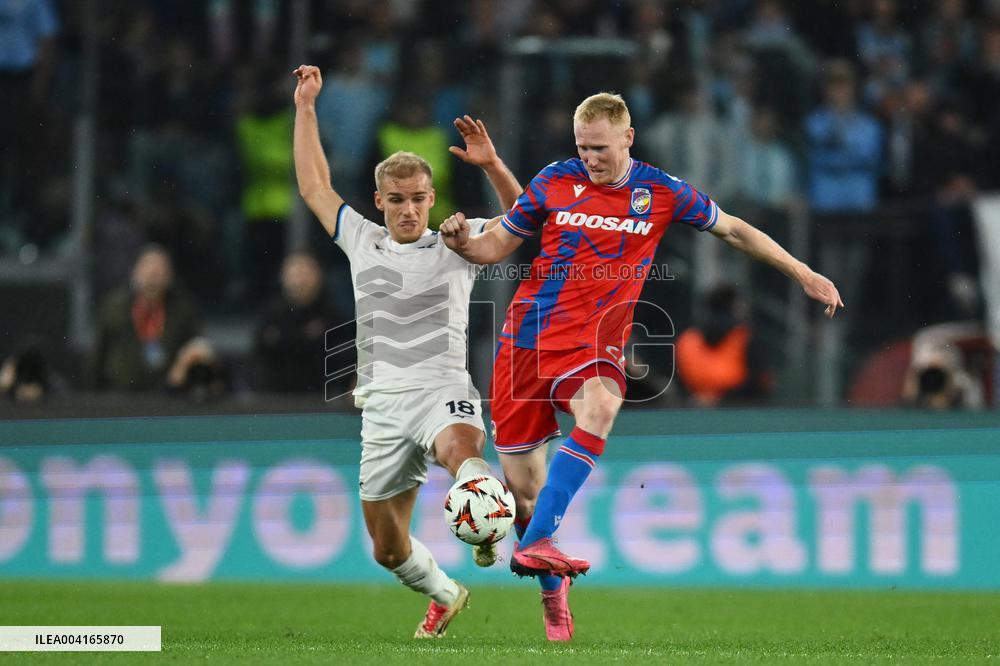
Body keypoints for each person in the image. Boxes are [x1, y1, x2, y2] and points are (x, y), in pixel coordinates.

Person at [440, 92, 843, 641]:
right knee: (525, 498)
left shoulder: (660, 190)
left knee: (603, 403)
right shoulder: (553, 182)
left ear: (628, 138)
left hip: (593, 345)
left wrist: (801, 271)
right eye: (583, 148)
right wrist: (463, 243)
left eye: (601, 148)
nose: (591, 159)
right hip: (525, 348)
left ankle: (538, 544)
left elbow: (735, 229)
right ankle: (550, 585)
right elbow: (495, 249)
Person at [292, 64, 521, 639]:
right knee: (387, 550)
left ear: (433, 197)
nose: (409, 210)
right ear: (379, 200)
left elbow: (524, 218)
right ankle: (446, 593)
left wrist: (491, 166)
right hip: (382, 405)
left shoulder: (457, 243)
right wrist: (305, 108)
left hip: (443, 389)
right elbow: (315, 188)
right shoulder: (361, 239)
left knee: (462, 457)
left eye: (419, 198)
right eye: (397, 200)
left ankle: (486, 513)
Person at [87, 245, 201, 391]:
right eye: (149, 270)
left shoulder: (183, 309)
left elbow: (197, 347)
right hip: (118, 398)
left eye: (160, 271)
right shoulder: (114, 306)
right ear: (135, 273)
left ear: (170, 276)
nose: (153, 277)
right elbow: (97, 355)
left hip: (168, 399)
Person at [254, 251, 355, 395]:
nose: (299, 280)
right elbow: (261, 355)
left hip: (321, 402)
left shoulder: (333, 317)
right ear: (283, 276)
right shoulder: (271, 316)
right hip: (273, 401)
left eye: (305, 273)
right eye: (294, 273)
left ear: (319, 276)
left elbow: (343, 363)